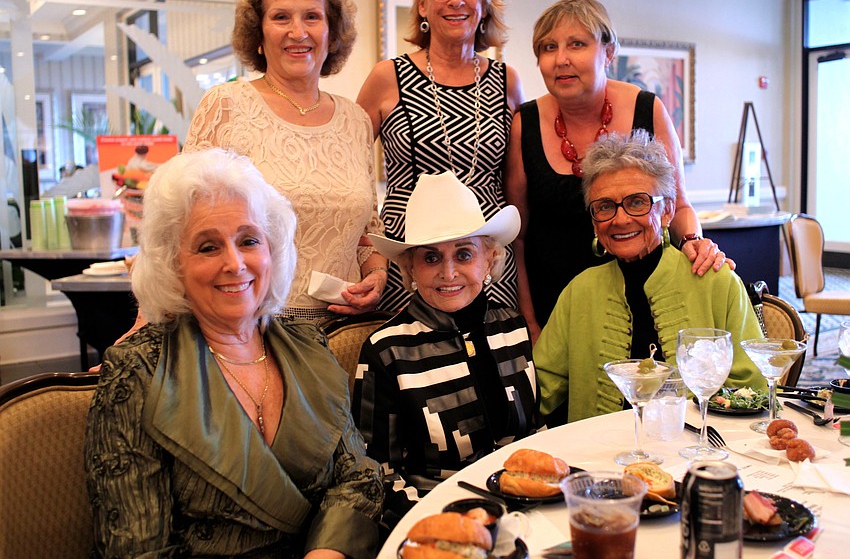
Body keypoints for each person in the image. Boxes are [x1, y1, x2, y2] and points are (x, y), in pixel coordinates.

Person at [85, 149, 383, 558]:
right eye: (208, 247)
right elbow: (136, 550)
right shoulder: (138, 370)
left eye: (248, 240)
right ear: (173, 265)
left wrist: (327, 551)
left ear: (271, 250)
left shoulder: (307, 344)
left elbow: (358, 477)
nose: (235, 263)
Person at [505, 0, 728, 339]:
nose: (561, 59)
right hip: (554, 303)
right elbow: (516, 237)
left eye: (577, 44)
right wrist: (530, 322)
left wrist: (695, 241)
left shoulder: (647, 109)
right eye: (549, 47)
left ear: (608, 52)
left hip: (645, 295)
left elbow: (678, 205)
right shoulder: (525, 123)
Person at [184, 0, 387, 321]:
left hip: (345, 332)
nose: (298, 32)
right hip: (252, 329)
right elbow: (183, 226)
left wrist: (377, 274)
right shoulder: (225, 105)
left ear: (331, 32)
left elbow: (367, 230)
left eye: (312, 16)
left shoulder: (356, 120)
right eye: (281, 17)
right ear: (258, 31)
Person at [533, 132, 765, 424]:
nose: (620, 219)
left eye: (638, 202)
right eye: (604, 206)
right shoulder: (579, 291)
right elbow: (539, 388)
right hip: (601, 456)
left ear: (667, 210)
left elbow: (752, 388)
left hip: (696, 455)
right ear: (594, 221)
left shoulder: (714, 280)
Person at [353, 171, 538, 529]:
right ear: (410, 268)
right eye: (431, 258)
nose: (448, 272)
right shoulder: (386, 350)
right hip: (436, 523)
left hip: (524, 511)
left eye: (464, 254)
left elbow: (532, 433)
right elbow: (376, 475)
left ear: (489, 260)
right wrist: (441, 524)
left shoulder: (511, 328)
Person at [358, 0, 524, 313]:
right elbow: (349, 176)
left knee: (494, 362)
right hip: (413, 261)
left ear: (484, 4)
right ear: (422, 3)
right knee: (418, 365)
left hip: (488, 267)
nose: (456, 0)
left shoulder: (506, 81)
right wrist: (369, 259)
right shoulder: (388, 78)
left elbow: (517, 187)